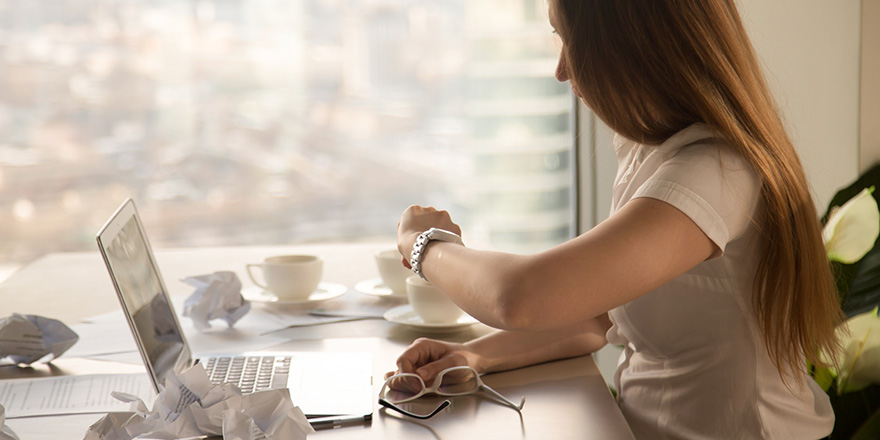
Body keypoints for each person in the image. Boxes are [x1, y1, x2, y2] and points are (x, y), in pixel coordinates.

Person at [389, 1, 844, 439]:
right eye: (557, 39)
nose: (562, 69)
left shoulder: (715, 173)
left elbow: (523, 295)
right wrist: (475, 354)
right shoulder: (651, 150)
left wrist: (425, 244)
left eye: (574, 42)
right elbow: (602, 315)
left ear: (632, 46)